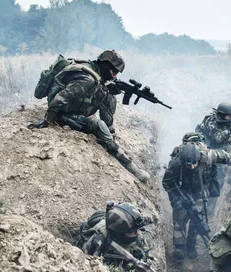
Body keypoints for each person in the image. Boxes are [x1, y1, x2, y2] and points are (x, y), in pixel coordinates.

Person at [28, 49, 149, 183]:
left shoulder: (93, 69)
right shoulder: (88, 79)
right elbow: (59, 99)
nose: (114, 76)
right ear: (105, 65)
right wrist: (46, 121)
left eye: (116, 73)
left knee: (108, 96)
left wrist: (109, 87)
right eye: (113, 72)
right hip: (63, 113)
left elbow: (102, 88)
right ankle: (128, 164)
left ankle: (110, 134)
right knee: (99, 125)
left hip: (72, 105)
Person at [162, 134, 231, 261]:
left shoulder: (209, 156)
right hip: (183, 188)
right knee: (179, 215)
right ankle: (179, 246)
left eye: (194, 164)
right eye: (188, 165)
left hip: (201, 188)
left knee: (197, 217)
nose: (192, 167)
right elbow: (166, 182)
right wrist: (175, 199)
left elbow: (226, 157)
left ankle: (191, 245)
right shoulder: (176, 163)